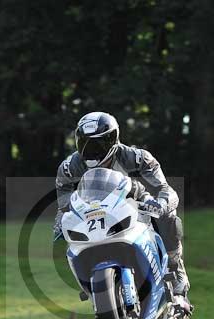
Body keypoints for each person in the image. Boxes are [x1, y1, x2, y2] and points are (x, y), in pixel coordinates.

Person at [53, 111, 189, 296]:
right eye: (83, 143)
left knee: (170, 218)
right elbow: (63, 198)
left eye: (97, 144)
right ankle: (88, 280)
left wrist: (161, 204)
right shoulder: (69, 167)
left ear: (113, 140)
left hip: (134, 207)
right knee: (67, 236)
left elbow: (164, 188)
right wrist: (63, 217)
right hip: (93, 213)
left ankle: (176, 268)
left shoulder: (138, 158)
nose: (89, 151)